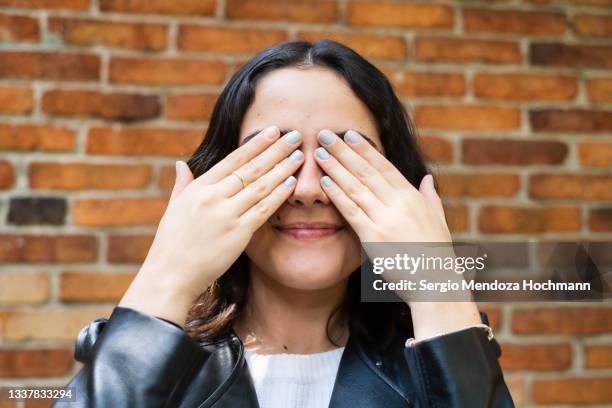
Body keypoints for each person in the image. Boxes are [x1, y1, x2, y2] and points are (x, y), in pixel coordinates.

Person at [52, 40, 514, 408]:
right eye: (276, 157)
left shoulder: (438, 364)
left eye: (344, 158)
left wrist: (440, 291)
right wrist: (165, 279)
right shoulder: (164, 375)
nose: (307, 189)